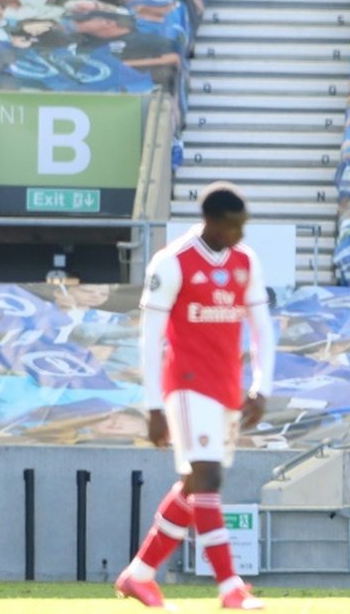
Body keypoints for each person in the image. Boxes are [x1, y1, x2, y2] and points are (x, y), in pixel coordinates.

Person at [115, 182, 274, 610]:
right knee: (208, 478)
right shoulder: (172, 262)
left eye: (243, 226)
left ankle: (140, 574)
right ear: (210, 222)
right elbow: (149, 340)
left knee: (193, 485)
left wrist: (261, 386)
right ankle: (230, 588)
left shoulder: (245, 261)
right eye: (232, 226)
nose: (240, 234)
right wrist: (153, 406)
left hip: (226, 389)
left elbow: (262, 328)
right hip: (186, 385)